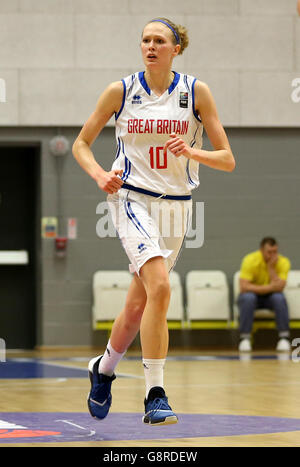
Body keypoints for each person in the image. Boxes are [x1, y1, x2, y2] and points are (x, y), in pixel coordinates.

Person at [72, 17, 235, 425]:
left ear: (175, 48)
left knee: (139, 302)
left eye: (159, 40)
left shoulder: (195, 92)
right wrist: (99, 175)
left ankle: (103, 369)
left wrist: (193, 153)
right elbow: (81, 143)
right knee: (161, 286)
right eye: (145, 39)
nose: (150, 46)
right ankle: (155, 394)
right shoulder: (121, 91)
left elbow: (228, 159)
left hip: (176, 205)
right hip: (131, 199)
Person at [238, 237, 291, 352]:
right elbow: (243, 287)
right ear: (261, 250)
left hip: (271, 297)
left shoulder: (283, 262)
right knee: (247, 298)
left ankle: (284, 338)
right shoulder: (250, 259)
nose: (272, 255)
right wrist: (270, 287)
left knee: (279, 298)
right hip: (253, 297)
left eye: (275, 251)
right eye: (269, 252)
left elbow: (280, 288)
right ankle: (245, 338)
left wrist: (271, 268)